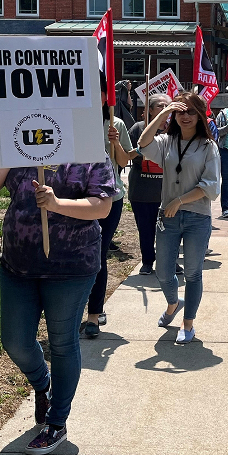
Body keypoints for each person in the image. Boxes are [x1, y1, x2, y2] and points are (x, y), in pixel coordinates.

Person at [0, 159, 117, 455]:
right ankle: (44, 384)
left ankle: (57, 422)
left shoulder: (88, 147)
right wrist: (5, 152)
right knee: (15, 341)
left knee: (62, 343)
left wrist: (56, 203)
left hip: (72, 264)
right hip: (18, 262)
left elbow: (102, 207)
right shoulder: (17, 142)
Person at [138, 91, 220, 344]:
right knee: (163, 272)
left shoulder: (208, 147)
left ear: (200, 116)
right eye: (180, 111)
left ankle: (188, 323)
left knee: (193, 273)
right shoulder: (167, 141)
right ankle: (174, 302)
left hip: (196, 216)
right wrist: (163, 113)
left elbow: (211, 187)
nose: (185, 116)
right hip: (169, 218)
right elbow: (143, 144)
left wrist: (180, 200)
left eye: (191, 111)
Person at [84, 78, 133, 338]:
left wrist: (114, 143)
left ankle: (94, 315)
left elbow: (124, 161)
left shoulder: (116, 124)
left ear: (106, 96)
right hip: (78, 200)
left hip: (109, 200)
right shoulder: (75, 122)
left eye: (100, 91)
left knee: (99, 253)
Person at [128, 93, 176, 276]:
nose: (165, 109)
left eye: (168, 106)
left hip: (167, 191)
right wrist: (141, 151)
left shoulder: (175, 130)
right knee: (146, 230)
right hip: (142, 190)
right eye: (160, 106)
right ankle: (148, 261)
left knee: (169, 231)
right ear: (150, 110)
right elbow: (127, 155)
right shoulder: (138, 129)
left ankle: (169, 262)